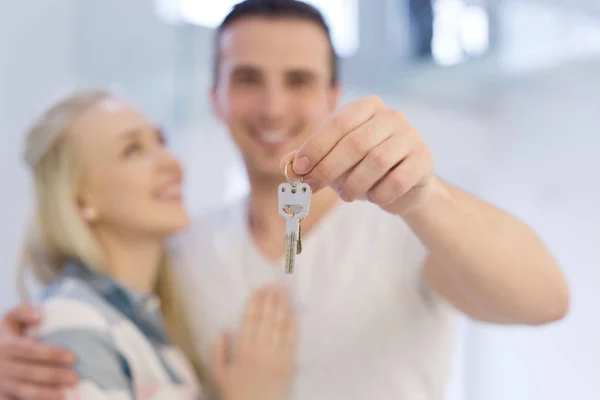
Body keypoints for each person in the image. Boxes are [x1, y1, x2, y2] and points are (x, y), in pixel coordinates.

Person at [0, 1, 570, 399]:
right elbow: (108, 324)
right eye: (248, 79)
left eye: (298, 81)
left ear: (332, 95)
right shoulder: (177, 252)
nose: (273, 108)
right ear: (217, 97)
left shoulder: (405, 225)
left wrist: (424, 195)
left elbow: (545, 300)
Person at [2, 89, 297, 400]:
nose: (171, 162)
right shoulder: (71, 320)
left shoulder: (155, 333)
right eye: (132, 150)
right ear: (78, 200)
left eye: (160, 141)